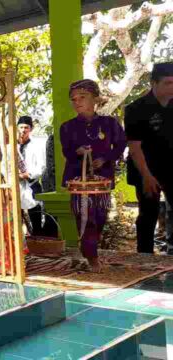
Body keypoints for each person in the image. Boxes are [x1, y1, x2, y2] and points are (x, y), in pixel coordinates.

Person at [60, 79, 127, 272]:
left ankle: (89, 251)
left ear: (95, 99)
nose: (77, 102)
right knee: (84, 217)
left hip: (102, 180)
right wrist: (78, 152)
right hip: (78, 181)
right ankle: (92, 257)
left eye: (82, 97)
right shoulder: (67, 127)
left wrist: (106, 158)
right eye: (73, 99)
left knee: (100, 217)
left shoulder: (110, 124)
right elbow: (67, 152)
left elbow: (121, 145)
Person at [126, 62, 173, 254]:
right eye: (168, 83)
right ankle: (144, 256)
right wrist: (146, 176)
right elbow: (135, 147)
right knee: (148, 214)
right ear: (153, 83)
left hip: (171, 168)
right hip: (144, 168)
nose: (172, 88)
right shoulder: (135, 109)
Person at [16, 116, 48, 236]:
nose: (23, 130)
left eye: (26, 127)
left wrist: (27, 174)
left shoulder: (37, 145)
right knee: (16, 221)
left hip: (31, 184)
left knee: (36, 220)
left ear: (31, 129)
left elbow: (42, 166)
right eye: (21, 127)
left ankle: (38, 247)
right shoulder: (12, 146)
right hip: (15, 186)